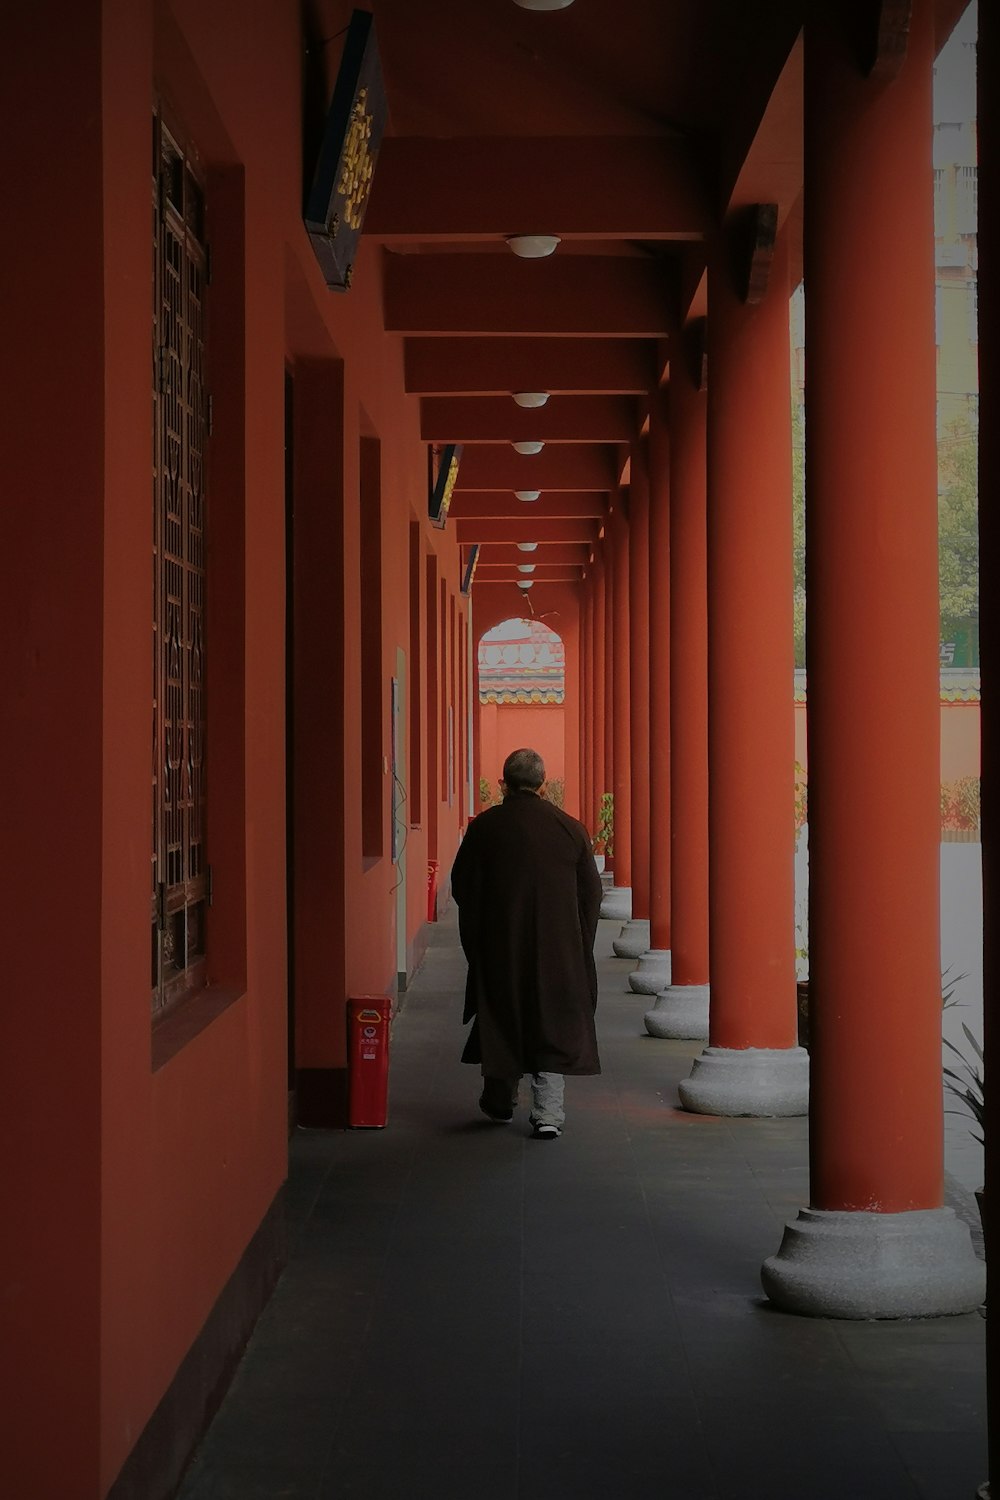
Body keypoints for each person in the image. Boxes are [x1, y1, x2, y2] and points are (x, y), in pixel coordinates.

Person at [449, 747, 603, 1140]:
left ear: (503, 784)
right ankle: (548, 1113)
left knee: (501, 1014)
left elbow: (464, 886)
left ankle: (500, 1100)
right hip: (558, 949)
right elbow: (591, 893)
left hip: (503, 945)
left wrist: (482, 934)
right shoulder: (570, 827)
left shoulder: (486, 828)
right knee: (551, 1021)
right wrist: (578, 941)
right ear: (543, 784)